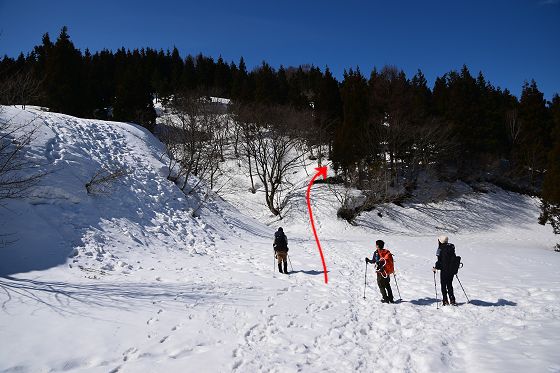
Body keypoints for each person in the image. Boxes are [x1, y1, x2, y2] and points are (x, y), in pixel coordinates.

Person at [432, 235, 456, 305]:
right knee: (449, 284)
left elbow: (439, 261)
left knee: (443, 285)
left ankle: (445, 300)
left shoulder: (440, 248)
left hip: (444, 270)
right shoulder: (451, 247)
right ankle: (452, 299)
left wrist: (435, 267)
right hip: (451, 270)